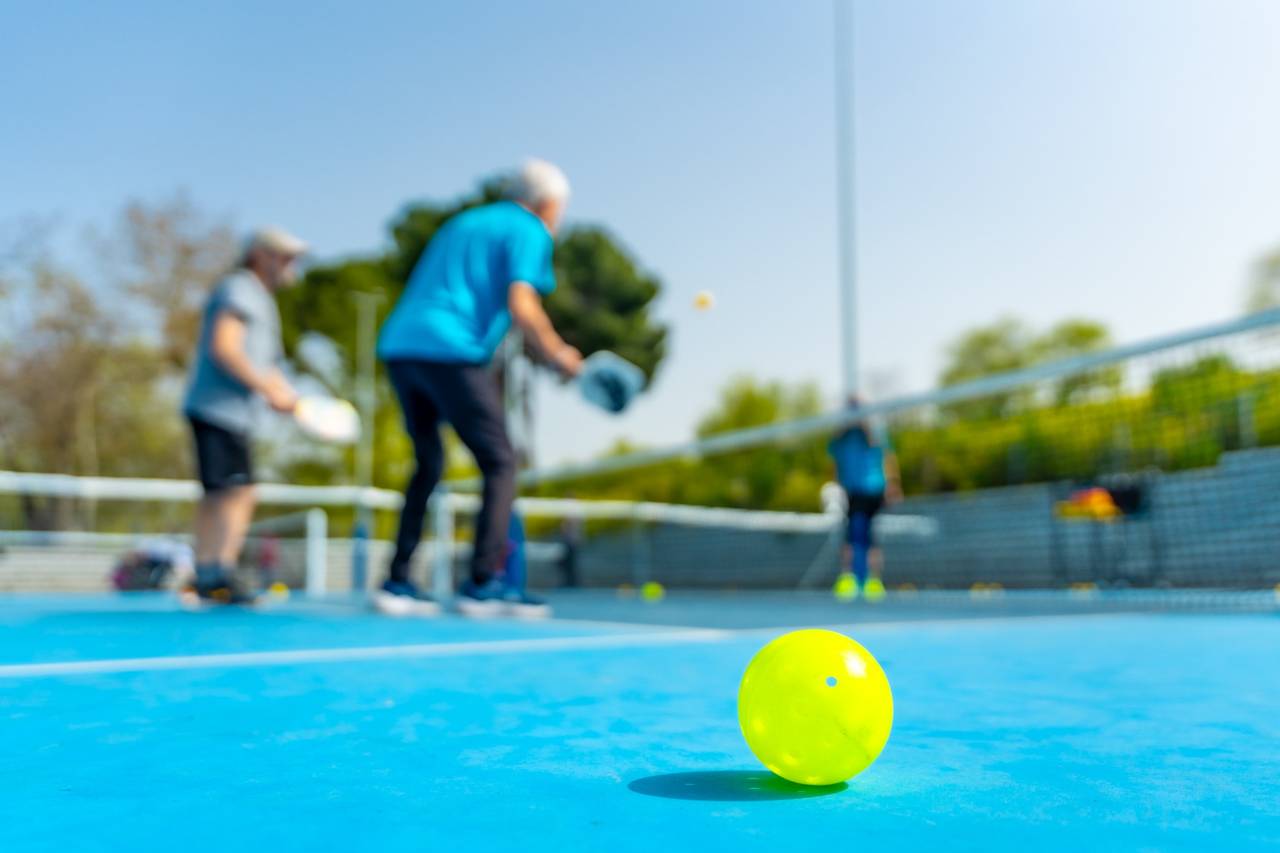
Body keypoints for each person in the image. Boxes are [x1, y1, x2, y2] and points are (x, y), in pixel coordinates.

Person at [377, 159, 583, 617]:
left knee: (428, 462)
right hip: (450, 348)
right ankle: (483, 582)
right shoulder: (530, 229)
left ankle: (396, 580)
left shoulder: (463, 222)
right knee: (500, 461)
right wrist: (558, 353)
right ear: (548, 204)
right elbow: (521, 303)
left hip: (399, 346)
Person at [182, 227, 307, 604]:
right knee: (235, 491)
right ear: (260, 255)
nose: (292, 264)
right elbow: (225, 348)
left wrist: (289, 398)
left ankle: (208, 573)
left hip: (233, 413)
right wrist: (269, 390)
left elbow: (265, 364)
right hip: (220, 409)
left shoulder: (260, 299)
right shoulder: (240, 289)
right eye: (285, 256)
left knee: (224, 491)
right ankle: (216, 573)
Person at [827, 402, 902, 602]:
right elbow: (835, 458)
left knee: (871, 536)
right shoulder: (842, 437)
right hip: (852, 491)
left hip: (874, 489)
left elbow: (886, 454)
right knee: (852, 535)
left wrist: (892, 483)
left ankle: (872, 580)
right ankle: (848, 578)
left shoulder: (874, 432)